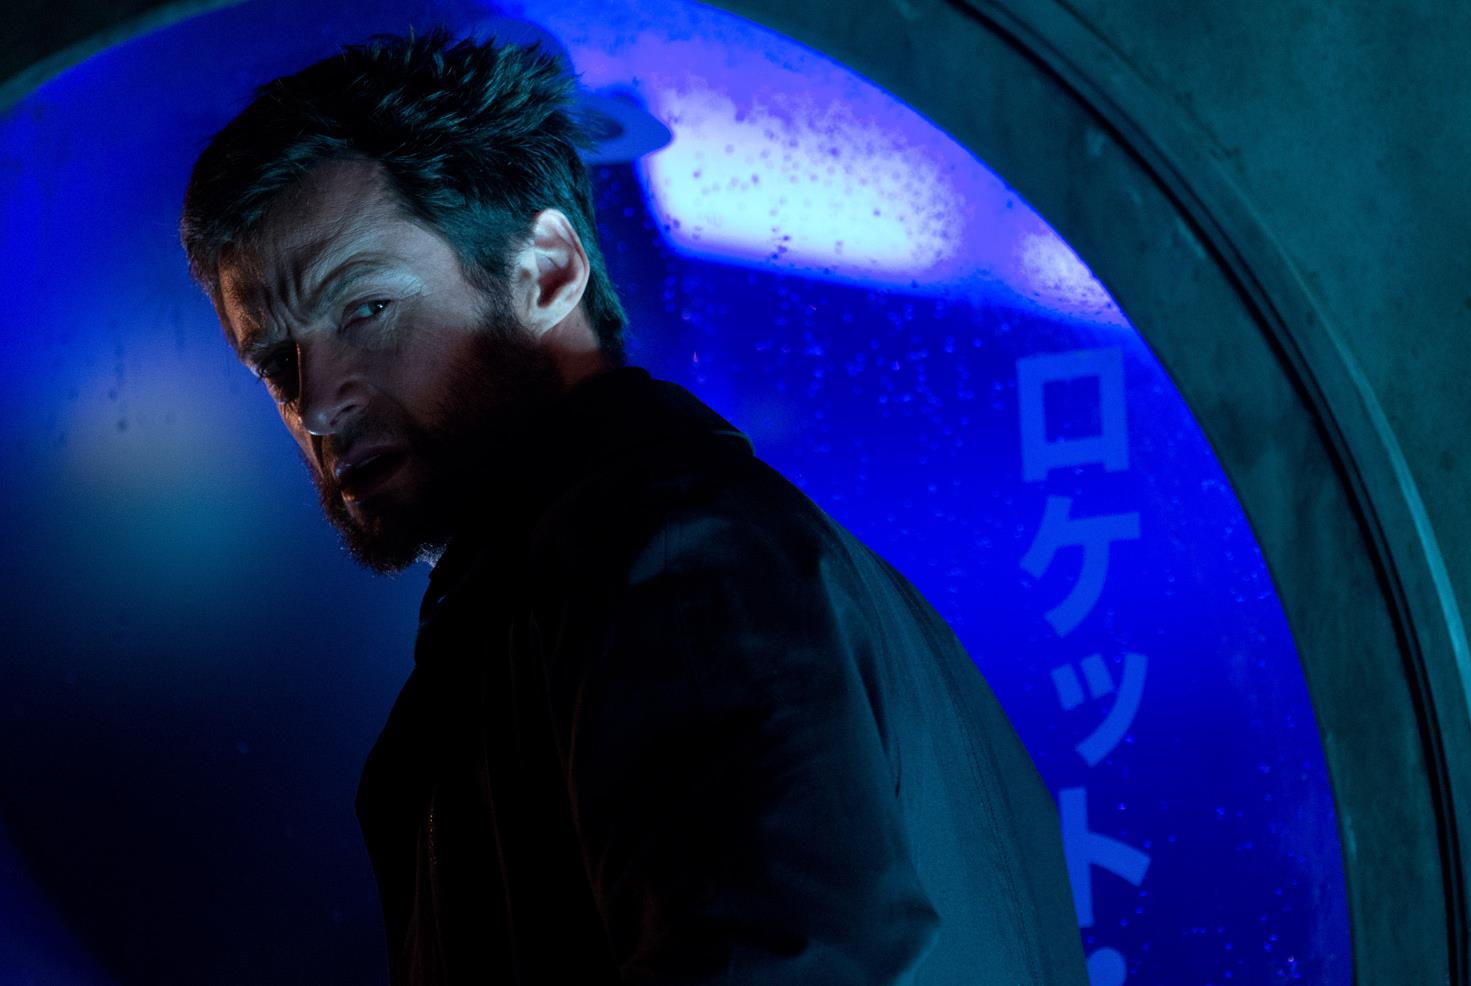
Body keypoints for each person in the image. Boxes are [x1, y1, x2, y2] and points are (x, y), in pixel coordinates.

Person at [179, 27, 1087, 986]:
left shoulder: (670, 554)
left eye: (366, 309)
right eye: (275, 361)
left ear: (546, 270)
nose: (317, 402)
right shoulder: (655, 561)